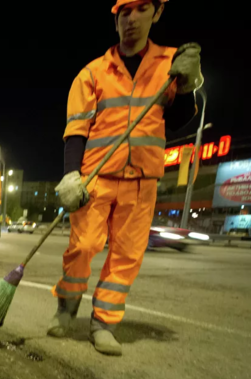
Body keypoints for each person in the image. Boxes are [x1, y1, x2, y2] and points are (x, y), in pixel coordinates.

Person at [51, 0, 202, 355]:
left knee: (126, 255)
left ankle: (104, 324)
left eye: (141, 9)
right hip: (96, 176)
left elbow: (180, 120)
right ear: (115, 19)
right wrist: (72, 174)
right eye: (124, 12)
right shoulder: (93, 73)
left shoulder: (170, 64)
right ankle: (66, 309)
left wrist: (185, 86)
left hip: (142, 179)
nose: (131, 19)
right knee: (84, 246)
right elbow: (76, 130)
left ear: (157, 12)